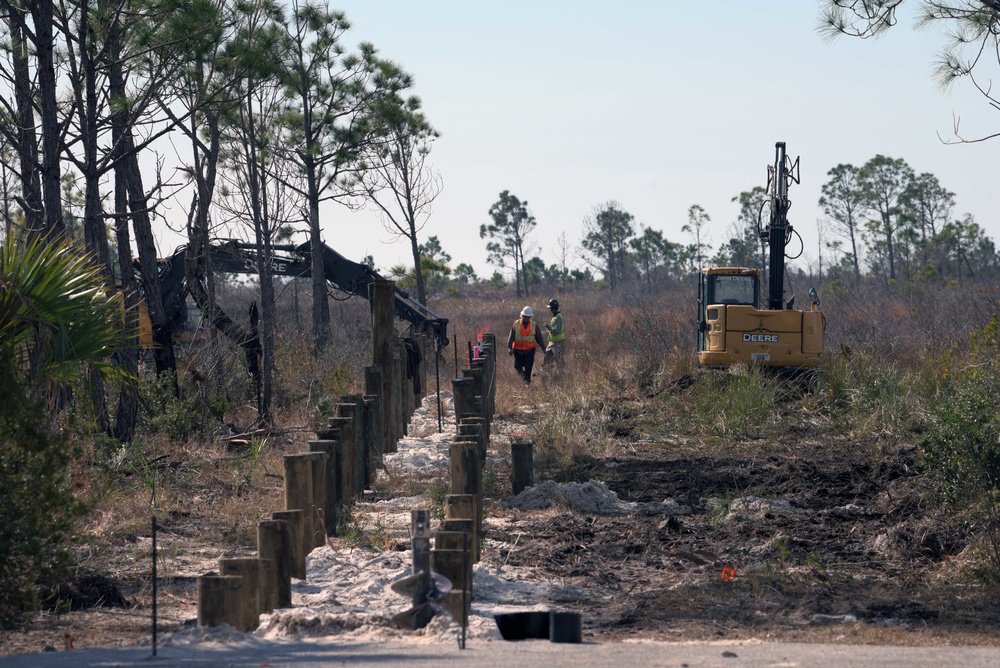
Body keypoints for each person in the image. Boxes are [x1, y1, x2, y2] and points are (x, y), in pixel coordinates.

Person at [507, 305, 545, 384]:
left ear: (530, 317)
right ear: (522, 316)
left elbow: (539, 338)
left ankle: (528, 384)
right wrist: (510, 347)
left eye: (528, 317)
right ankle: (525, 380)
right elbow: (512, 336)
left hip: (529, 351)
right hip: (518, 350)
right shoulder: (516, 324)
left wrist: (544, 348)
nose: (526, 318)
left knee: (528, 368)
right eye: (525, 316)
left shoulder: (534, 325)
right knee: (517, 367)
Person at [543, 298, 565, 368]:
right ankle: (545, 374)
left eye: (550, 308)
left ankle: (563, 376)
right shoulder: (556, 316)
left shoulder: (558, 317)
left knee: (559, 362)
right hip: (552, 342)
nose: (550, 310)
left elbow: (557, 330)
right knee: (547, 359)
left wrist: (548, 327)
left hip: (557, 343)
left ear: (552, 308)